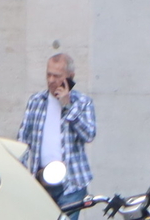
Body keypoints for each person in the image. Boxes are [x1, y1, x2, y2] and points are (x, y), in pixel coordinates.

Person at [18, 51, 96, 210]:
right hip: (41, 180)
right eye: (48, 75)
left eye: (57, 76)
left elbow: (89, 135)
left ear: (70, 76)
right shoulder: (36, 101)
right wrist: (22, 171)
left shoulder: (83, 102)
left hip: (72, 182)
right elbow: (22, 138)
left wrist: (68, 107)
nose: (51, 80)